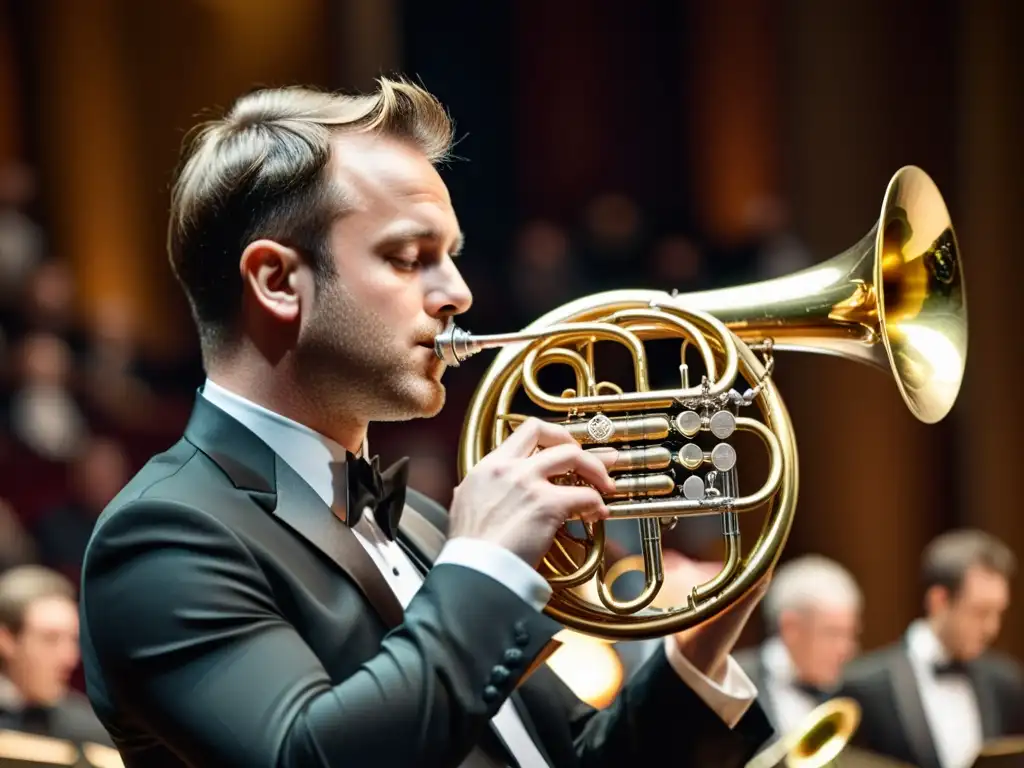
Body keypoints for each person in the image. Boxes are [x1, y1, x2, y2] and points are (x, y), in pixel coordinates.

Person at [77, 77, 775, 767]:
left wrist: (699, 647)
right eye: (410, 258)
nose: (458, 293)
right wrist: (485, 564)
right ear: (278, 282)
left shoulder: (421, 524)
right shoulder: (163, 536)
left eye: (452, 257)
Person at [840, 529, 1024, 768]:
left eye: (999, 613)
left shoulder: (1005, 682)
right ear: (939, 600)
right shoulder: (865, 686)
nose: (992, 628)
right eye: (980, 612)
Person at [735, 555, 862, 736]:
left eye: (850, 634)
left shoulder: (855, 690)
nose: (846, 649)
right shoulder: (733, 683)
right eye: (832, 633)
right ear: (791, 629)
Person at [0, 565, 111, 747]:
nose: (70, 658)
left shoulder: (92, 730)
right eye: (50, 639)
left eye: (73, 639)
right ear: (6, 640)